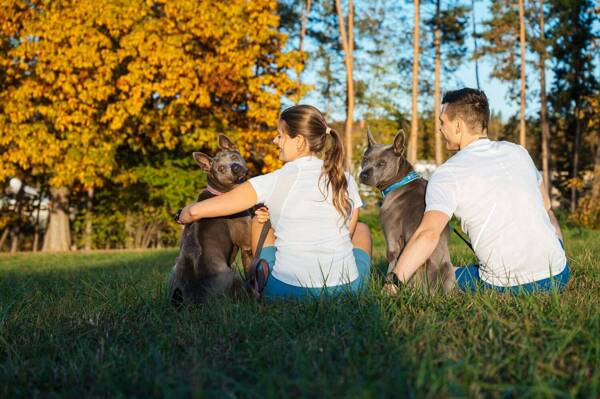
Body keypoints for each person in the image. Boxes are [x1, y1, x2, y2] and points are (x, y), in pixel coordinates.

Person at [384, 88, 568, 294]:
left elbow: (428, 234)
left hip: (506, 285)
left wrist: (394, 283)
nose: (440, 129)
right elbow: (547, 207)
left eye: (442, 122)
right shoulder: (518, 152)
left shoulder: (447, 173)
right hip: (558, 274)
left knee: (439, 277)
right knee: (549, 216)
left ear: (459, 125)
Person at [177, 104, 372, 299]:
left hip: (286, 292)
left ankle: (256, 282)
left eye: (280, 135)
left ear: (299, 141)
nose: (275, 140)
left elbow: (196, 212)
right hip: (348, 290)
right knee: (362, 229)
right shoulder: (345, 178)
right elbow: (347, 233)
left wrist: (183, 214)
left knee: (259, 221)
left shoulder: (272, 180)